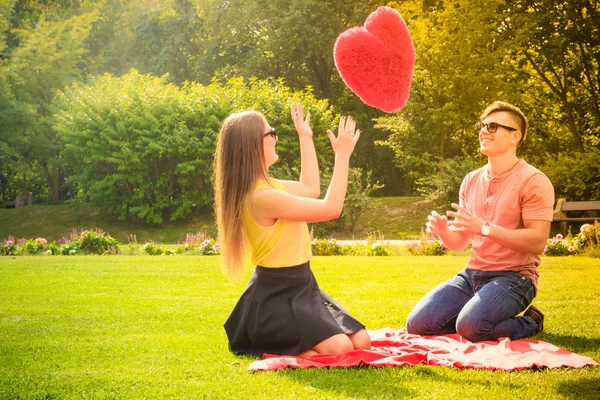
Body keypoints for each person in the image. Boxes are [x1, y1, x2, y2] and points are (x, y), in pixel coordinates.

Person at [214, 103, 371, 357]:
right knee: (339, 349)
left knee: (361, 341)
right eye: (271, 133)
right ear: (253, 144)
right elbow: (330, 208)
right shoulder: (261, 197)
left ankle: (301, 347)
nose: (275, 138)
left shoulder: (270, 186)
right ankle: (269, 342)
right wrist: (342, 156)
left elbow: (310, 189)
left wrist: (305, 136)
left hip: (303, 285)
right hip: (276, 295)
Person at [406, 101, 555, 342]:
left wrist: (485, 229)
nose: (484, 131)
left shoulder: (533, 180)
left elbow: (537, 241)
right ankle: (475, 315)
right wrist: (444, 232)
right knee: (417, 325)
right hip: (471, 276)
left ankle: (530, 321)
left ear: (515, 136)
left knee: (471, 327)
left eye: (493, 126)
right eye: (482, 125)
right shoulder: (471, 180)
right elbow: (459, 243)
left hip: (515, 278)